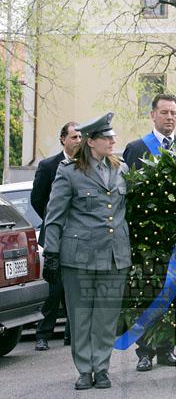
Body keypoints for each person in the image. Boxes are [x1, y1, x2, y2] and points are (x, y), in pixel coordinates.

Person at [42, 112, 131, 390]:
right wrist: (51, 254)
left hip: (114, 255)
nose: (113, 141)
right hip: (79, 256)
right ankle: (84, 370)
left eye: (113, 136)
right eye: (107, 137)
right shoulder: (69, 172)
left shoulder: (121, 169)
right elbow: (54, 216)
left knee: (106, 316)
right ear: (91, 141)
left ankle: (101, 368)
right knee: (81, 316)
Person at [123, 93, 176, 371]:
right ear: (152, 115)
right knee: (146, 292)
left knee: (172, 291)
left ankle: (167, 349)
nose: (169, 117)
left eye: (173, 112)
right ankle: (145, 350)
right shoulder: (136, 148)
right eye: (164, 112)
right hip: (146, 237)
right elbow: (128, 191)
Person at [32, 122, 81, 351]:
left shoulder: (85, 164)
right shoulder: (48, 165)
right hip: (55, 236)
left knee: (75, 287)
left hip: (78, 236)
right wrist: (53, 220)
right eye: (74, 137)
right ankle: (43, 334)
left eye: (80, 137)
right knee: (54, 288)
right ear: (63, 139)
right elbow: (37, 199)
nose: (78, 141)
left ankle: (72, 334)